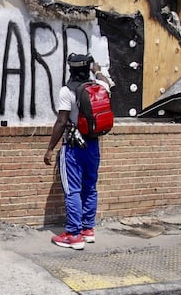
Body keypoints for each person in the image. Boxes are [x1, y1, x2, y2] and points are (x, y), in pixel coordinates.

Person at [43, 53, 111, 250]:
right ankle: (88, 229)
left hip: (73, 146)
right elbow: (106, 82)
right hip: (92, 144)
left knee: (72, 189)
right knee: (90, 186)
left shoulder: (67, 91)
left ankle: (73, 234)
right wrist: (97, 70)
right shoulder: (100, 87)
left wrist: (49, 149)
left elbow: (62, 121)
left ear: (71, 69)